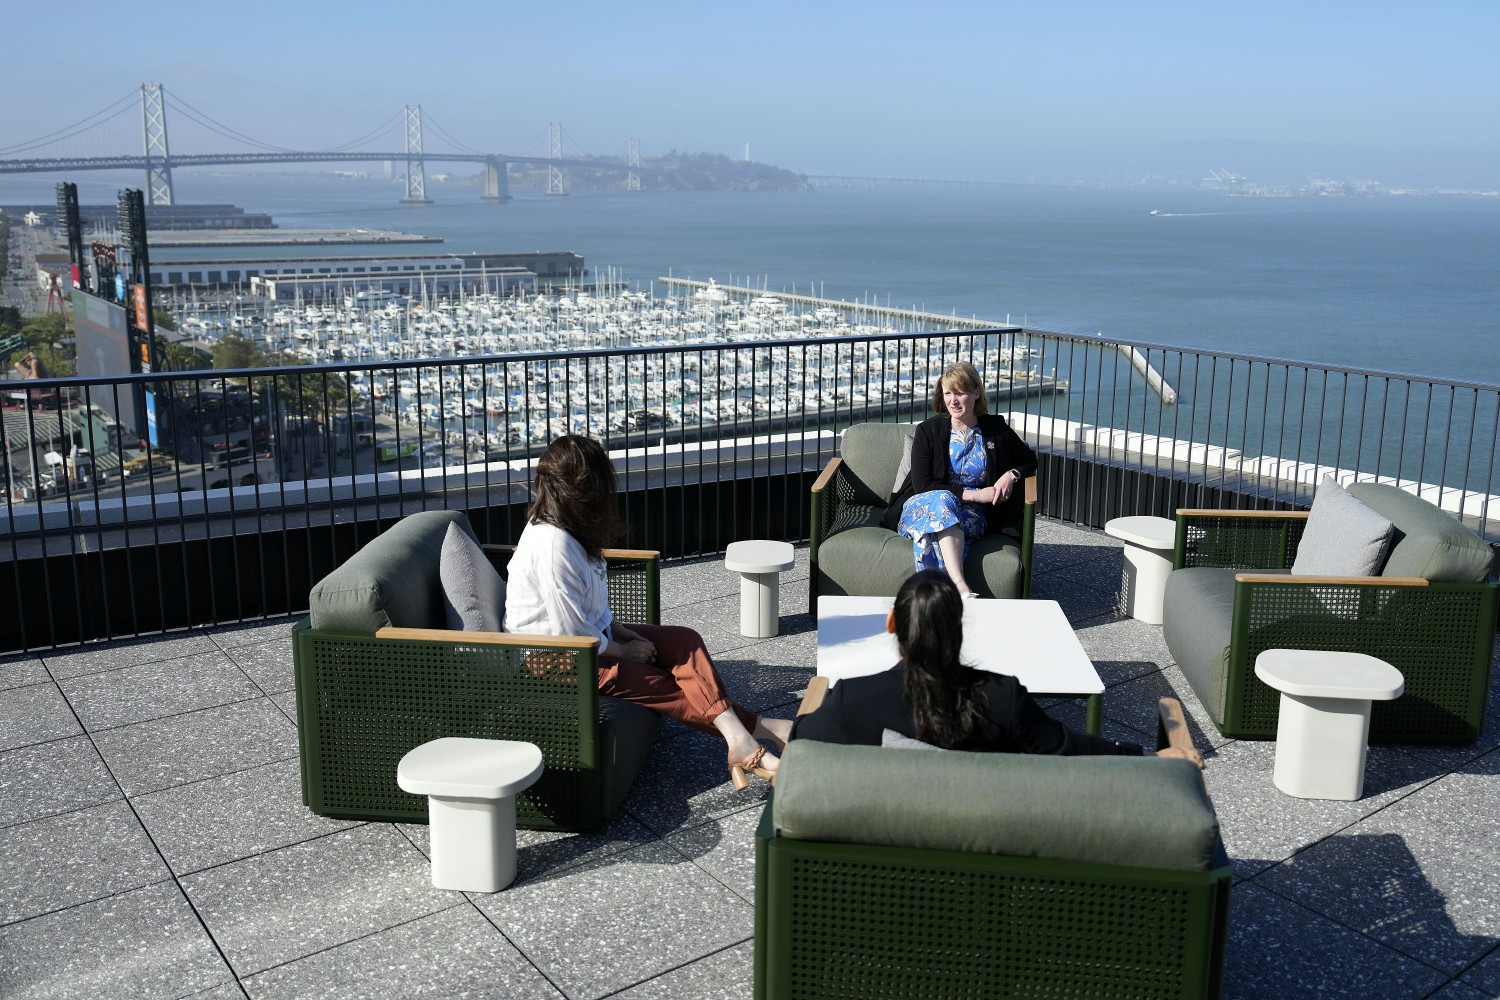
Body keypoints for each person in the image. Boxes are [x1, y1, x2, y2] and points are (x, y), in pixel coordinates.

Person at [504, 435, 792, 787]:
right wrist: (624, 652)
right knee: (663, 682)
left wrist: (618, 628)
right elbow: (570, 634)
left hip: (588, 639)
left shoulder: (570, 530)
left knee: (683, 640)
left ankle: (745, 740)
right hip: (553, 659)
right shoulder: (553, 546)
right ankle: (759, 735)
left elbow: (583, 607)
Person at [793, 570, 1205, 766]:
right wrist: (1148, 757)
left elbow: (803, 747)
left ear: (891, 625)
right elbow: (1069, 749)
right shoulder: (1001, 698)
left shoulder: (854, 699)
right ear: (957, 630)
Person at [883, 360, 1038, 598]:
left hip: (972, 514)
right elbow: (923, 485)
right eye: (948, 393)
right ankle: (960, 587)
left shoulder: (995, 429)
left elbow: (1029, 459)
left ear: (976, 392)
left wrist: (1011, 475)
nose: (953, 401)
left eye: (960, 393)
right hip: (922, 506)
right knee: (943, 502)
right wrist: (976, 494)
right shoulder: (928, 431)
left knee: (931, 537)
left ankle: (934, 603)